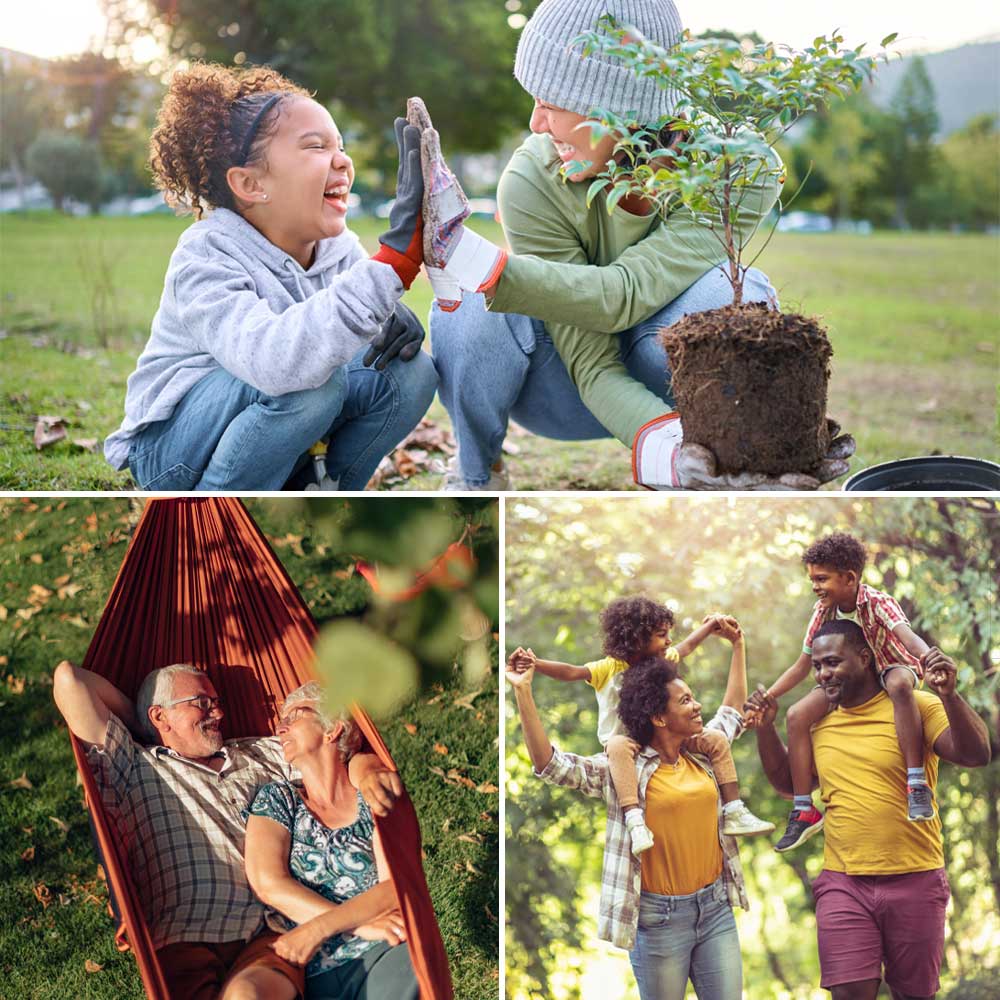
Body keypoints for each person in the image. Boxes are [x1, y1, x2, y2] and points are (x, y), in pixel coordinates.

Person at [425, 0, 854, 491]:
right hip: (560, 384)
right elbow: (591, 365)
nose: (535, 124)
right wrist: (476, 274)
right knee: (467, 310)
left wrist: (764, 435)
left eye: (550, 103)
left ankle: (731, 463)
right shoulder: (531, 181)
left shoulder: (741, 170)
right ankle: (476, 478)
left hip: (681, 382)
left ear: (616, 106)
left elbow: (623, 294)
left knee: (733, 295)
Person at [103, 64, 437, 491]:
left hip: (275, 425)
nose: (342, 160)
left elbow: (343, 325)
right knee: (306, 385)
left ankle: (324, 493)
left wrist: (386, 318)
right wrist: (393, 264)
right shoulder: (206, 256)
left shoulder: (337, 250)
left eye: (341, 145)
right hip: (174, 453)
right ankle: (215, 510)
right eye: (316, 147)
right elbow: (277, 365)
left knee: (411, 371)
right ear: (250, 183)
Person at [51, 660, 400, 999]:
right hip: (183, 939)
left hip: (267, 931)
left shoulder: (258, 753)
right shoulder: (131, 765)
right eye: (202, 703)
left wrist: (368, 772)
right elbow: (70, 680)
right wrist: (145, 723)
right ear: (160, 715)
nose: (217, 713)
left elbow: (331, 750)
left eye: (217, 703)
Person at [749, 620, 991, 1000]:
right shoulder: (818, 723)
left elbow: (976, 754)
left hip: (916, 877)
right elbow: (787, 785)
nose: (823, 674)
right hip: (845, 882)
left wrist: (950, 696)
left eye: (832, 662)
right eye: (817, 666)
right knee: (847, 991)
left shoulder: (914, 706)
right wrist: (765, 729)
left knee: (914, 994)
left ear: (864, 657)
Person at [509, 651, 755, 1000]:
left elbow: (732, 712)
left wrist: (737, 644)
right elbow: (551, 764)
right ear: (658, 717)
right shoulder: (623, 768)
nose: (698, 705)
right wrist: (523, 691)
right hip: (659, 921)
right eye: (686, 700)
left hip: (715, 909)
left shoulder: (704, 752)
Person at [508, 596, 772, 854]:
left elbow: (690, 648)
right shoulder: (610, 669)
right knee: (618, 744)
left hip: (712, 893)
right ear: (636, 638)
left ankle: (734, 809)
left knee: (717, 739)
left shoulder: (695, 746)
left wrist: (723, 633)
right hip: (623, 747)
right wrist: (535, 667)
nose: (669, 641)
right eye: (661, 634)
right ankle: (634, 820)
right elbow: (570, 672)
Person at [243, 683, 419, 1000]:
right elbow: (269, 883)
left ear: (332, 729)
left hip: (385, 949)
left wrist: (319, 928)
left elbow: (396, 887)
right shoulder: (278, 800)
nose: (280, 727)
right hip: (308, 968)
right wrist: (358, 925)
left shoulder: (373, 794)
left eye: (295, 715)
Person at [764, 533, 936, 852]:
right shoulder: (823, 611)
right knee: (796, 715)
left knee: (899, 685)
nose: (815, 586)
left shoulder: (877, 602)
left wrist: (930, 658)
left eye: (821, 578)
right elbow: (803, 665)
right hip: (847, 681)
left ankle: (915, 784)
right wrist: (768, 697)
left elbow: (907, 637)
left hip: (891, 666)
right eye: (812, 579)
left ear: (849, 578)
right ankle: (803, 809)